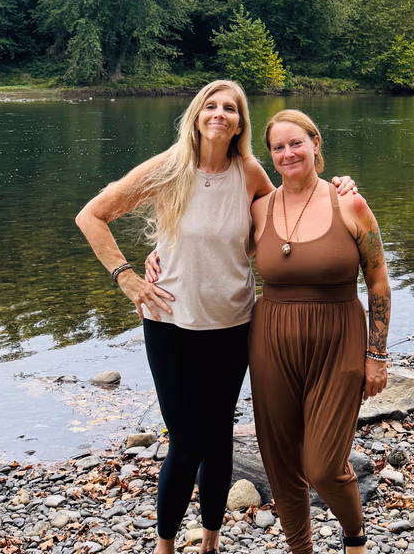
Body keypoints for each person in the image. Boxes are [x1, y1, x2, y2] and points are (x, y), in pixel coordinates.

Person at [75, 81, 354, 554]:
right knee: (185, 443)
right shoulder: (168, 168)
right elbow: (92, 215)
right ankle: (164, 545)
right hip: (171, 323)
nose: (220, 113)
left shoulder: (248, 172)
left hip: (234, 323)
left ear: (240, 124)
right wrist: (126, 275)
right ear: (197, 115)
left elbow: (294, 203)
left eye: (231, 108)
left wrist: (341, 188)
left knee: (220, 434)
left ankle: (211, 540)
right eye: (212, 105)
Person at [249, 109, 391, 554]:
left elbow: (379, 282)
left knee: (324, 466)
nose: (288, 153)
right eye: (278, 146)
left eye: (296, 143)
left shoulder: (349, 204)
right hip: (270, 342)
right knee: (279, 461)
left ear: (315, 144)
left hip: (339, 342)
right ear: (269, 155)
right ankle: (300, 548)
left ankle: (355, 540)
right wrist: (158, 253)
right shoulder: (259, 209)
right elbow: (205, 239)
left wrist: (377, 355)